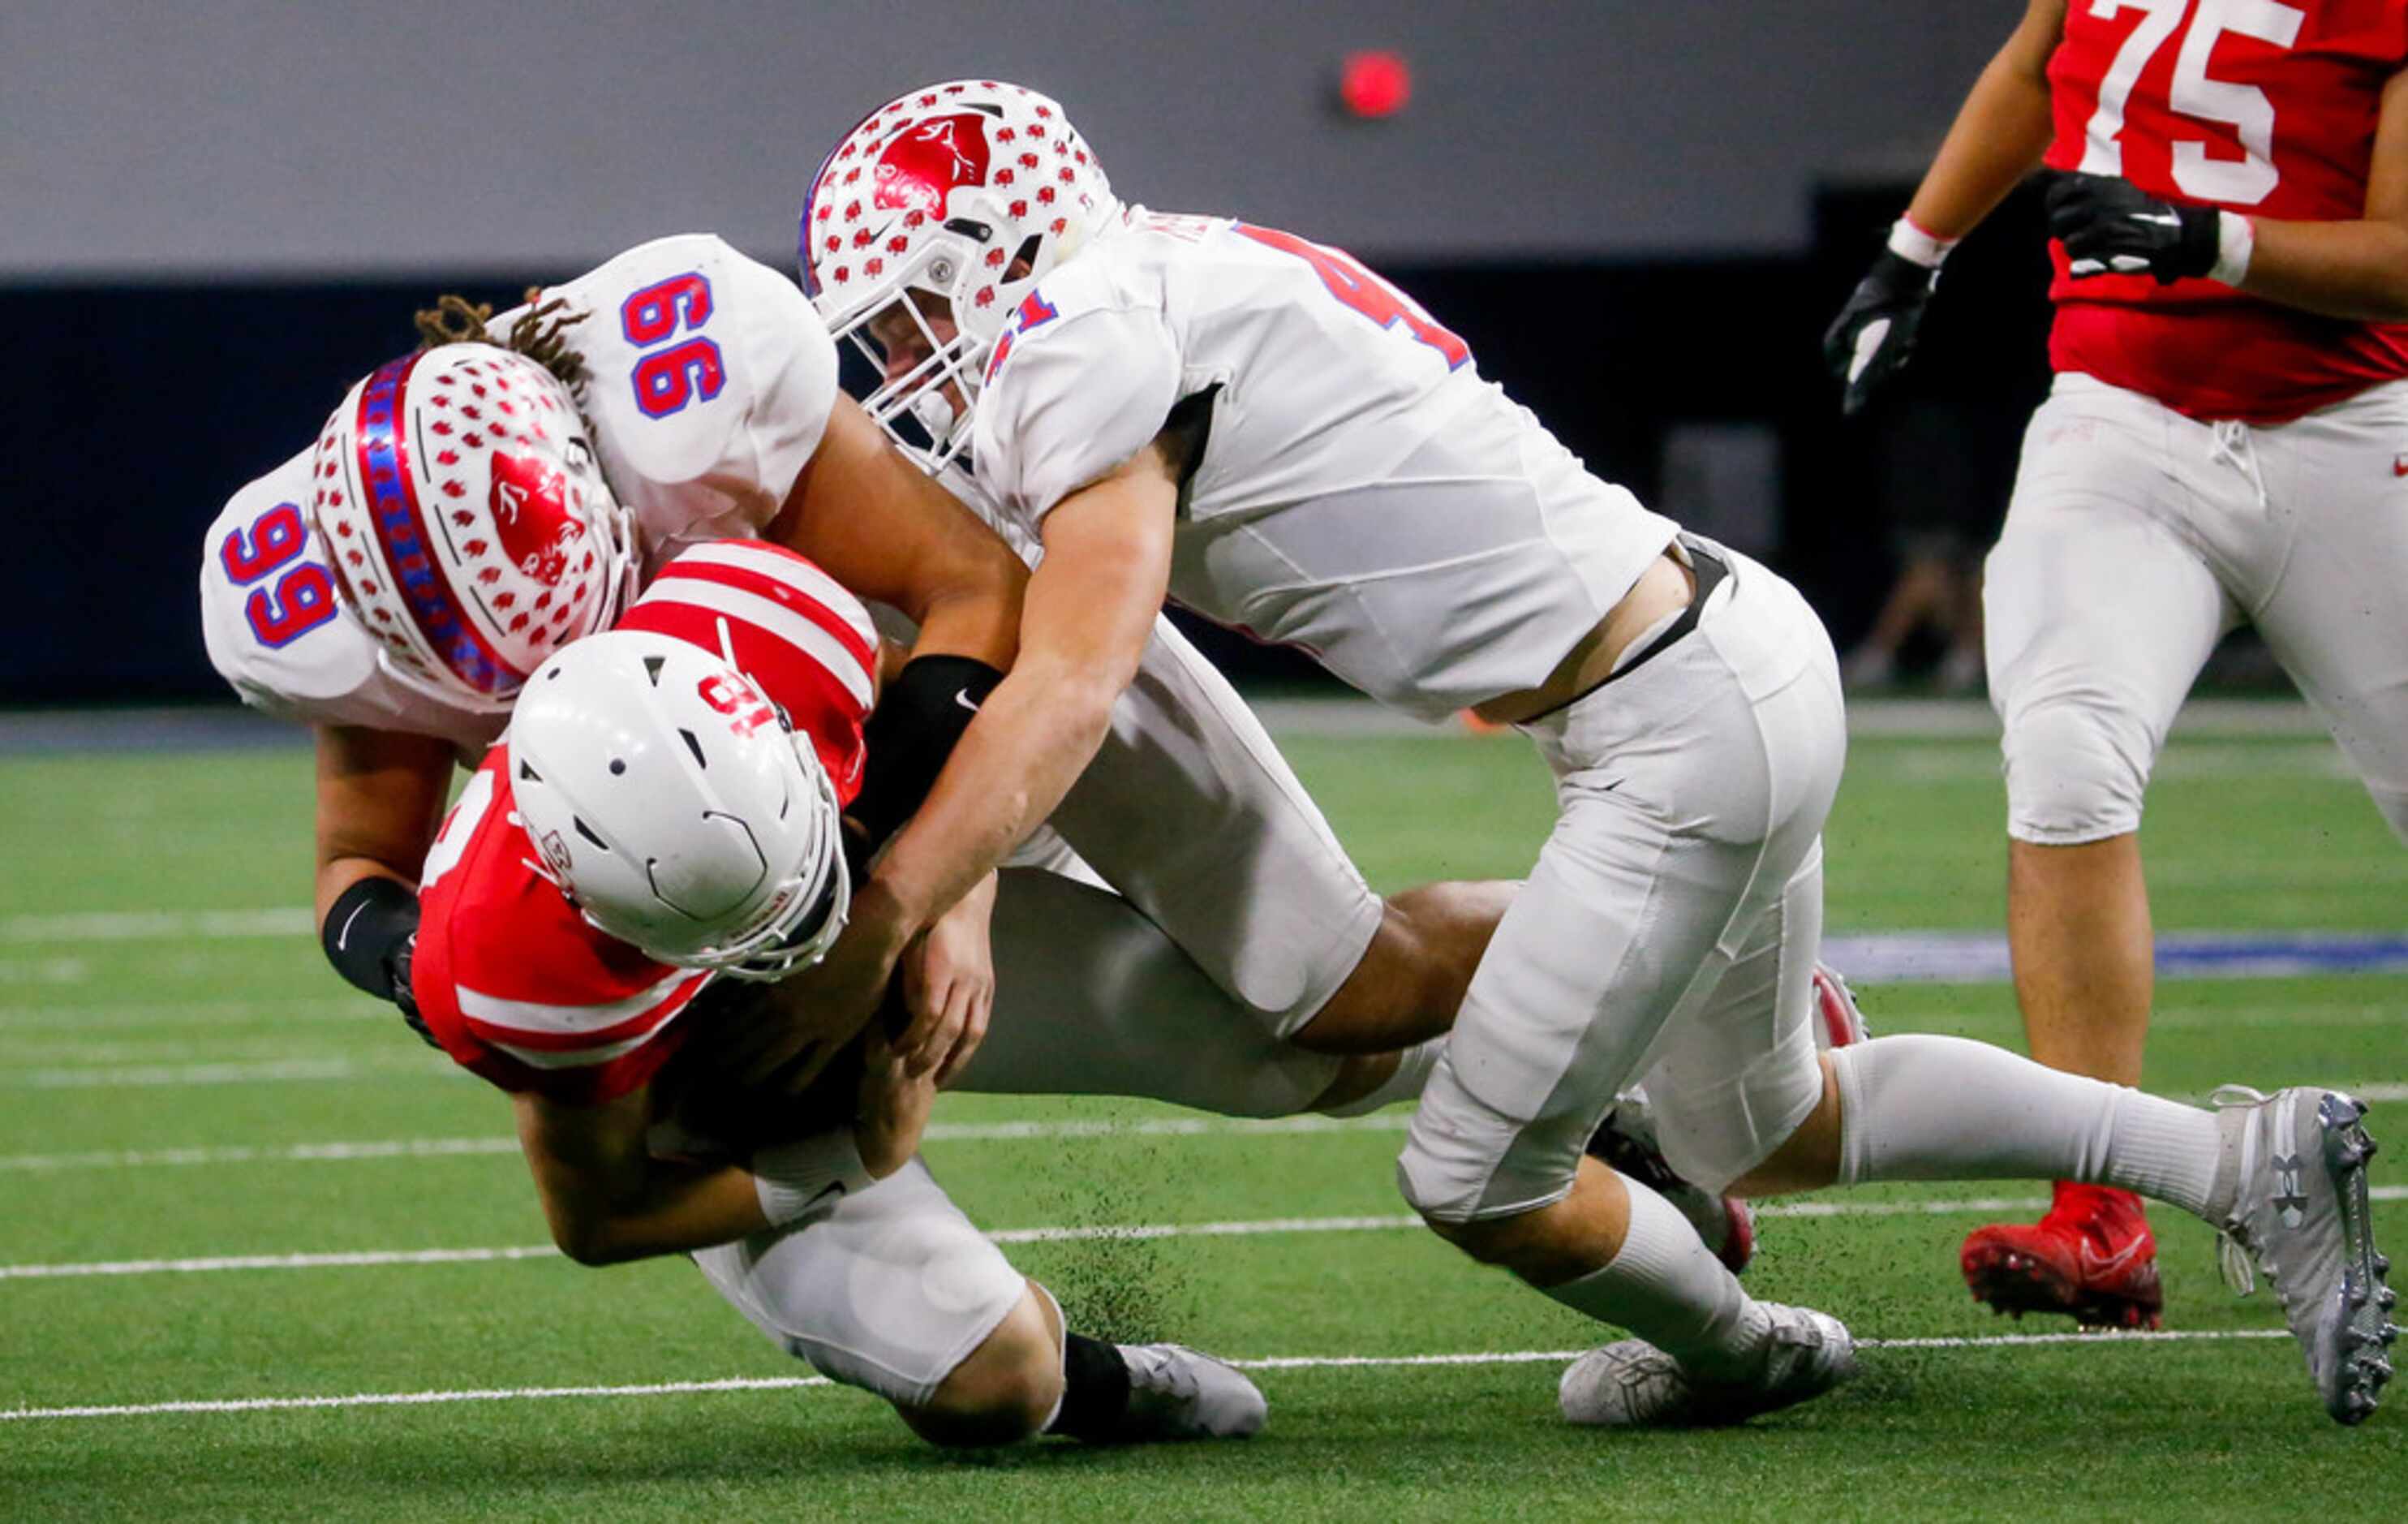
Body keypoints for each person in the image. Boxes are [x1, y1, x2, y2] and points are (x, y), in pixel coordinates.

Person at [753, 79, 2393, 1427]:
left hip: (1677, 725)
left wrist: (909, 902)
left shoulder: (1079, 334)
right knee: (1773, 1124)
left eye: (907, 321)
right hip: (1715, 655)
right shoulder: (1143, 282)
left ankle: (1739, 1358)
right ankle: (2235, 1155)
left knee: (1474, 1175)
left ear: (996, 250)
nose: (899, 373)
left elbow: (1075, 674)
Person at [196, 235, 1519, 1112]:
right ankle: (1579, 1110)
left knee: (1346, 980)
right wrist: (431, 968)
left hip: (968, 702)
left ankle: (1665, 932)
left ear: (615, 491)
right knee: (1283, 1065)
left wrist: (942, 886)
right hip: (784, 854)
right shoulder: (349, 588)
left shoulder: (684, 398)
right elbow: (357, 868)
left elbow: (975, 591)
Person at [411, 535, 1464, 1448]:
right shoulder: (517, 971)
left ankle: (1576, 1080)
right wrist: (847, 1157)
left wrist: (949, 902)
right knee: (996, 1381)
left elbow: (966, 687)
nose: (792, 932)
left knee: (1314, 1054)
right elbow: (598, 1217)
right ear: (602, 913)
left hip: (900, 898)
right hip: (721, 1090)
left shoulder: (760, 632)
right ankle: (1102, 1379)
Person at [1824, 0, 2408, 1332]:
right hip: (2119, 420)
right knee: (2067, 758)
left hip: (2349, 427)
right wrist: (1912, 254)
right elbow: (2038, 68)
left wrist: (2213, 240)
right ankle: (2101, 1209)